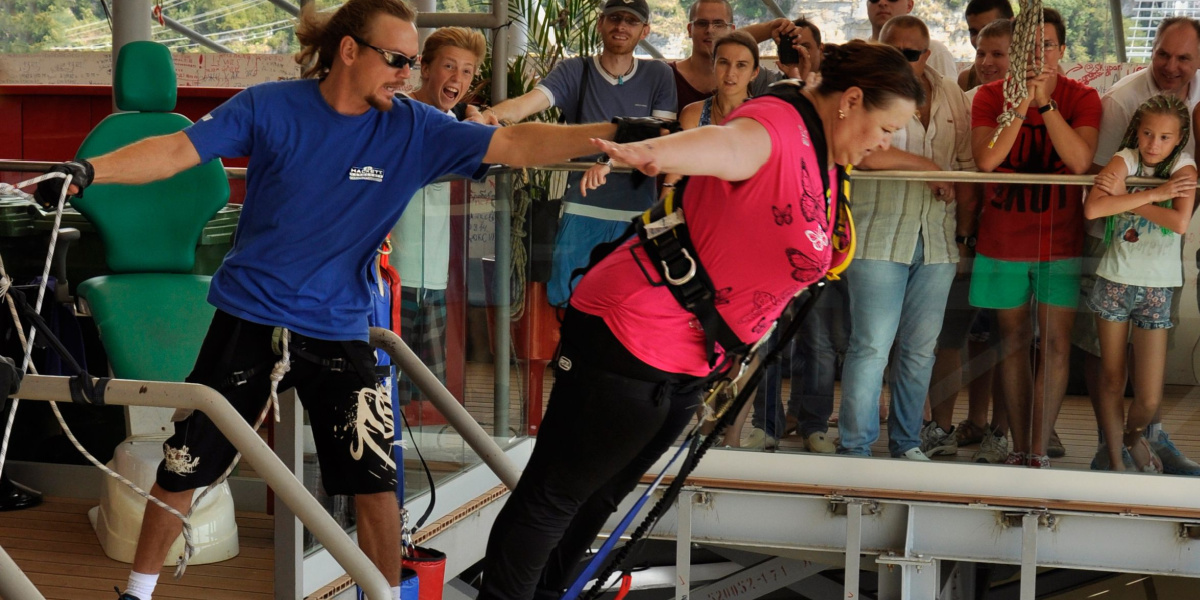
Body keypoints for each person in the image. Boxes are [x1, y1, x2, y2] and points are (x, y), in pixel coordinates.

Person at [31, 1, 638, 598]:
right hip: (251, 318)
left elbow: (516, 145)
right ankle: (137, 592)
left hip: (339, 326)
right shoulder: (270, 106)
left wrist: (616, 135)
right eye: (397, 58)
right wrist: (87, 171)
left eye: (411, 60)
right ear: (349, 51)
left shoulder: (414, 127)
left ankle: (387, 597)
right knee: (185, 466)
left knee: (376, 483)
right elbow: (175, 151)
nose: (408, 73)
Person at [476, 40, 923, 600]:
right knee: (554, 497)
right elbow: (728, 146)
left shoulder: (829, 157)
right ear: (851, 100)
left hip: (689, 359)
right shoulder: (778, 124)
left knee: (597, 498)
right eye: (886, 127)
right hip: (630, 331)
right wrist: (660, 153)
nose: (887, 142)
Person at [835, 16, 975, 460]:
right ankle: (855, 448)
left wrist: (964, 232)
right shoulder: (864, 93)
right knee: (871, 347)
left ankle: (907, 444)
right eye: (891, 51)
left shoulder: (951, 91)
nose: (901, 59)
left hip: (936, 237)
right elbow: (866, 153)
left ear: (927, 55)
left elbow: (967, 162)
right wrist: (932, 169)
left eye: (910, 53)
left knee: (920, 351)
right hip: (878, 233)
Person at [482, 0, 676, 308]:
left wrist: (610, 162)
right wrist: (487, 117)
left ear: (644, 31)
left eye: (630, 20)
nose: (621, 26)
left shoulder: (658, 75)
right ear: (600, 23)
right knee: (570, 305)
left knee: (631, 310)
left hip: (636, 215)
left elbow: (662, 138)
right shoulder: (576, 70)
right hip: (582, 211)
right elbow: (527, 104)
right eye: (614, 18)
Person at [971, 8, 1101, 469]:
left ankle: (1040, 448)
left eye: (1047, 45)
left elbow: (1080, 161)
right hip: (1003, 240)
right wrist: (1022, 101)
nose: (1039, 54)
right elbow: (987, 162)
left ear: (1062, 50)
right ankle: (1019, 442)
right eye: (1030, 46)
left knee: (1057, 344)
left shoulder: (1083, 97)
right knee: (1012, 340)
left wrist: (1046, 105)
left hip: (1060, 243)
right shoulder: (988, 95)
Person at [1080, 16, 1200, 474]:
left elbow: (1178, 220)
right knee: (1109, 374)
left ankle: (1137, 440)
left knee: (1148, 393)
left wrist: (1125, 200)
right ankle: (1111, 457)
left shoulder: (1184, 161)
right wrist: (1149, 194)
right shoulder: (1123, 106)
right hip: (1113, 271)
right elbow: (1093, 207)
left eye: (1183, 57)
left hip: (1156, 281)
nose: (1154, 143)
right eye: (1163, 54)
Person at [927, 17, 1013, 464]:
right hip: (965, 237)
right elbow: (962, 174)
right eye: (980, 52)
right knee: (950, 336)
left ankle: (999, 430)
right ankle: (940, 428)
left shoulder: (1039, 108)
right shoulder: (966, 102)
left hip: (1013, 242)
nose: (986, 62)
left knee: (1004, 340)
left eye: (998, 53)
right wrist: (963, 236)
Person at [392, 27, 487, 408]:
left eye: (466, 71)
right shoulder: (403, 113)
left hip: (432, 276)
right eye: (449, 66)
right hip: (395, 273)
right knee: (382, 382)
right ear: (425, 67)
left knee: (416, 392)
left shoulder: (453, 118)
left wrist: (474, 114)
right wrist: (476, 121)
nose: (457, 79)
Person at [669, 0, 802, 112]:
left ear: (731, 30)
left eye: (718, 24)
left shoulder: (752, 77)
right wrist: (768, 28)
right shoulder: (667, 76)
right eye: (702, 23)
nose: (710, 30)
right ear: (689, 29)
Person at [866, 0, 958, 80]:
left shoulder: (936, 52)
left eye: (911, 55)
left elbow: (949, 97)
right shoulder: (856, 54)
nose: (882, 2)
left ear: (909, 5)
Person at [957, 0, 1013, 92]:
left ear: (1012, 25)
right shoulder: (966, 79)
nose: (980, 38)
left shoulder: (1033, 81)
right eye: (974, 32)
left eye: (989, 30)